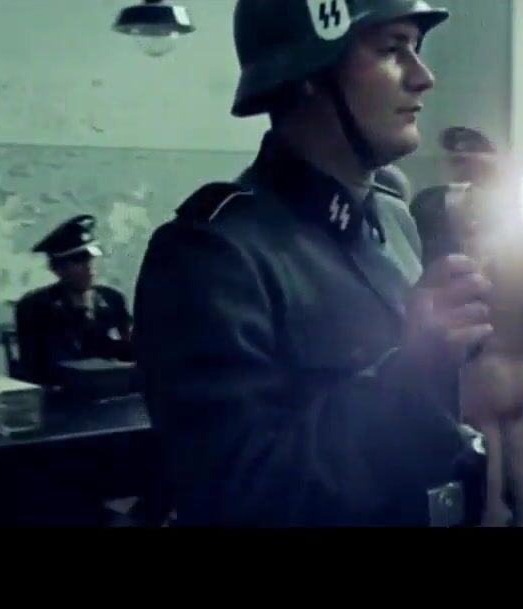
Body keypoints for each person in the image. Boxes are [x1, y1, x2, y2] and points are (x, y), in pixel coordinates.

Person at [132, 0, 493, 527]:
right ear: (307, 74)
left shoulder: (393, 218)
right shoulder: (211, 253)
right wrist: (416, 370)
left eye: (416, 50)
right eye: (392, 50)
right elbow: (237, 491)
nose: (423, 77)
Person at [14, 214, 133, 385]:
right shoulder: (36, 308)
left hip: (115, 391)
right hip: (65, 395)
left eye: (91, 257)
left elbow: (130, 351)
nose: (89, 267)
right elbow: (36, 369)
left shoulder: (112, 300)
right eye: (78, 260)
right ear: (57, 268)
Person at [409, 126, 504, 265]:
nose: (466, 166)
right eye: (457, 159)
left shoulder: (505, 204)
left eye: (472, 152)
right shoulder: (426, 201)